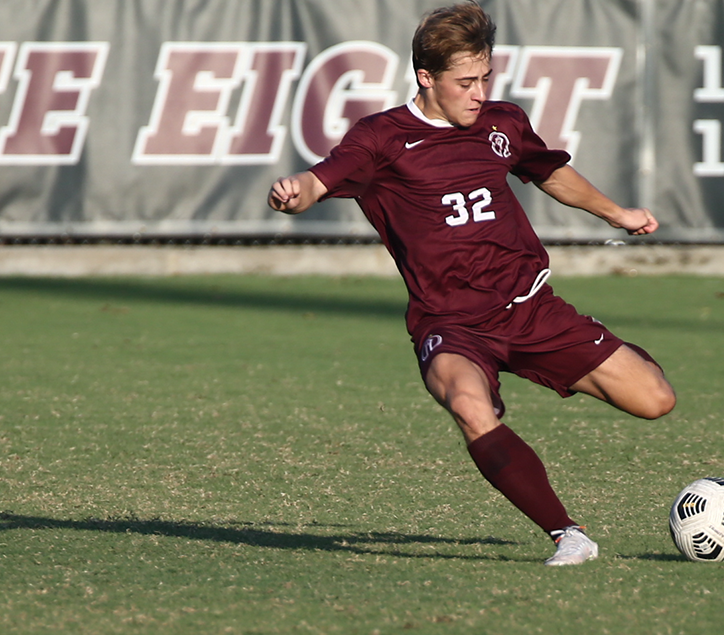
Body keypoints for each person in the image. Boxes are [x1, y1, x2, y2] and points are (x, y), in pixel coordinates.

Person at [267, 1, 675, 566]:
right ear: (426, 78)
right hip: (451, 324)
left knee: (655, 400)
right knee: (467, 402)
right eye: (465, 82)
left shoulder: (502, 123)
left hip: (531, 308)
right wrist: (296, 192)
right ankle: (568, 534)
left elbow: (548, 171)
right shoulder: (381, 139)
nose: (479, 92)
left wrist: (616, 214)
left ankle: (605, 347)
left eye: (485, 77)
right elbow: (323, 178)